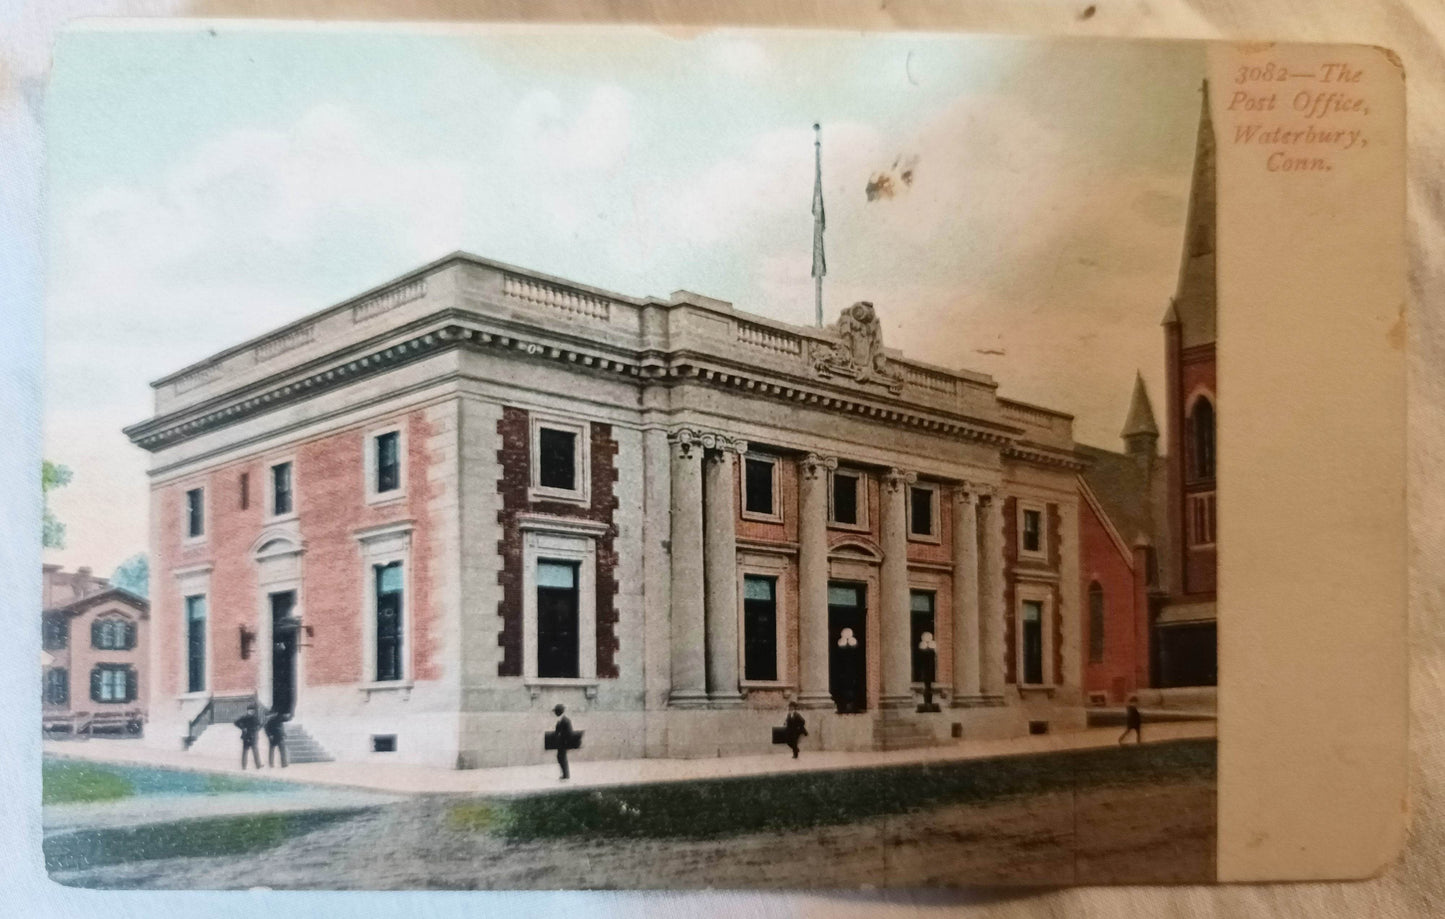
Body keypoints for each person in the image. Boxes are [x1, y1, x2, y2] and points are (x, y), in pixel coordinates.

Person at [234, 703, 262, 769]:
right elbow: (236, 722)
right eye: (250, 710)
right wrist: (242, 727)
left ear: (254, 711)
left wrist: (257, 729)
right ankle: (244, 766)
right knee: (246, 751)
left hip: (252, 736)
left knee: (254, 751)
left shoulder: (256, 718)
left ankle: (258, 765)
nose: (251, 712)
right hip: (248, 736)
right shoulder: (244, 718)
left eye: (252, 711)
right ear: (247, 711)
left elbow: (260, 725)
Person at [552, 704, 573, 780]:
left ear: (559, 712)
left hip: (564, 743)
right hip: (561, 743)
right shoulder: (561, 720)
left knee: (562, 758)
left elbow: (569, 733)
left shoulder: (566, 720)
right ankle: (565, 774)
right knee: (560, 758)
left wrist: (567, 744)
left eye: (556, 711)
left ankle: (565, 775)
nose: (555, 713)